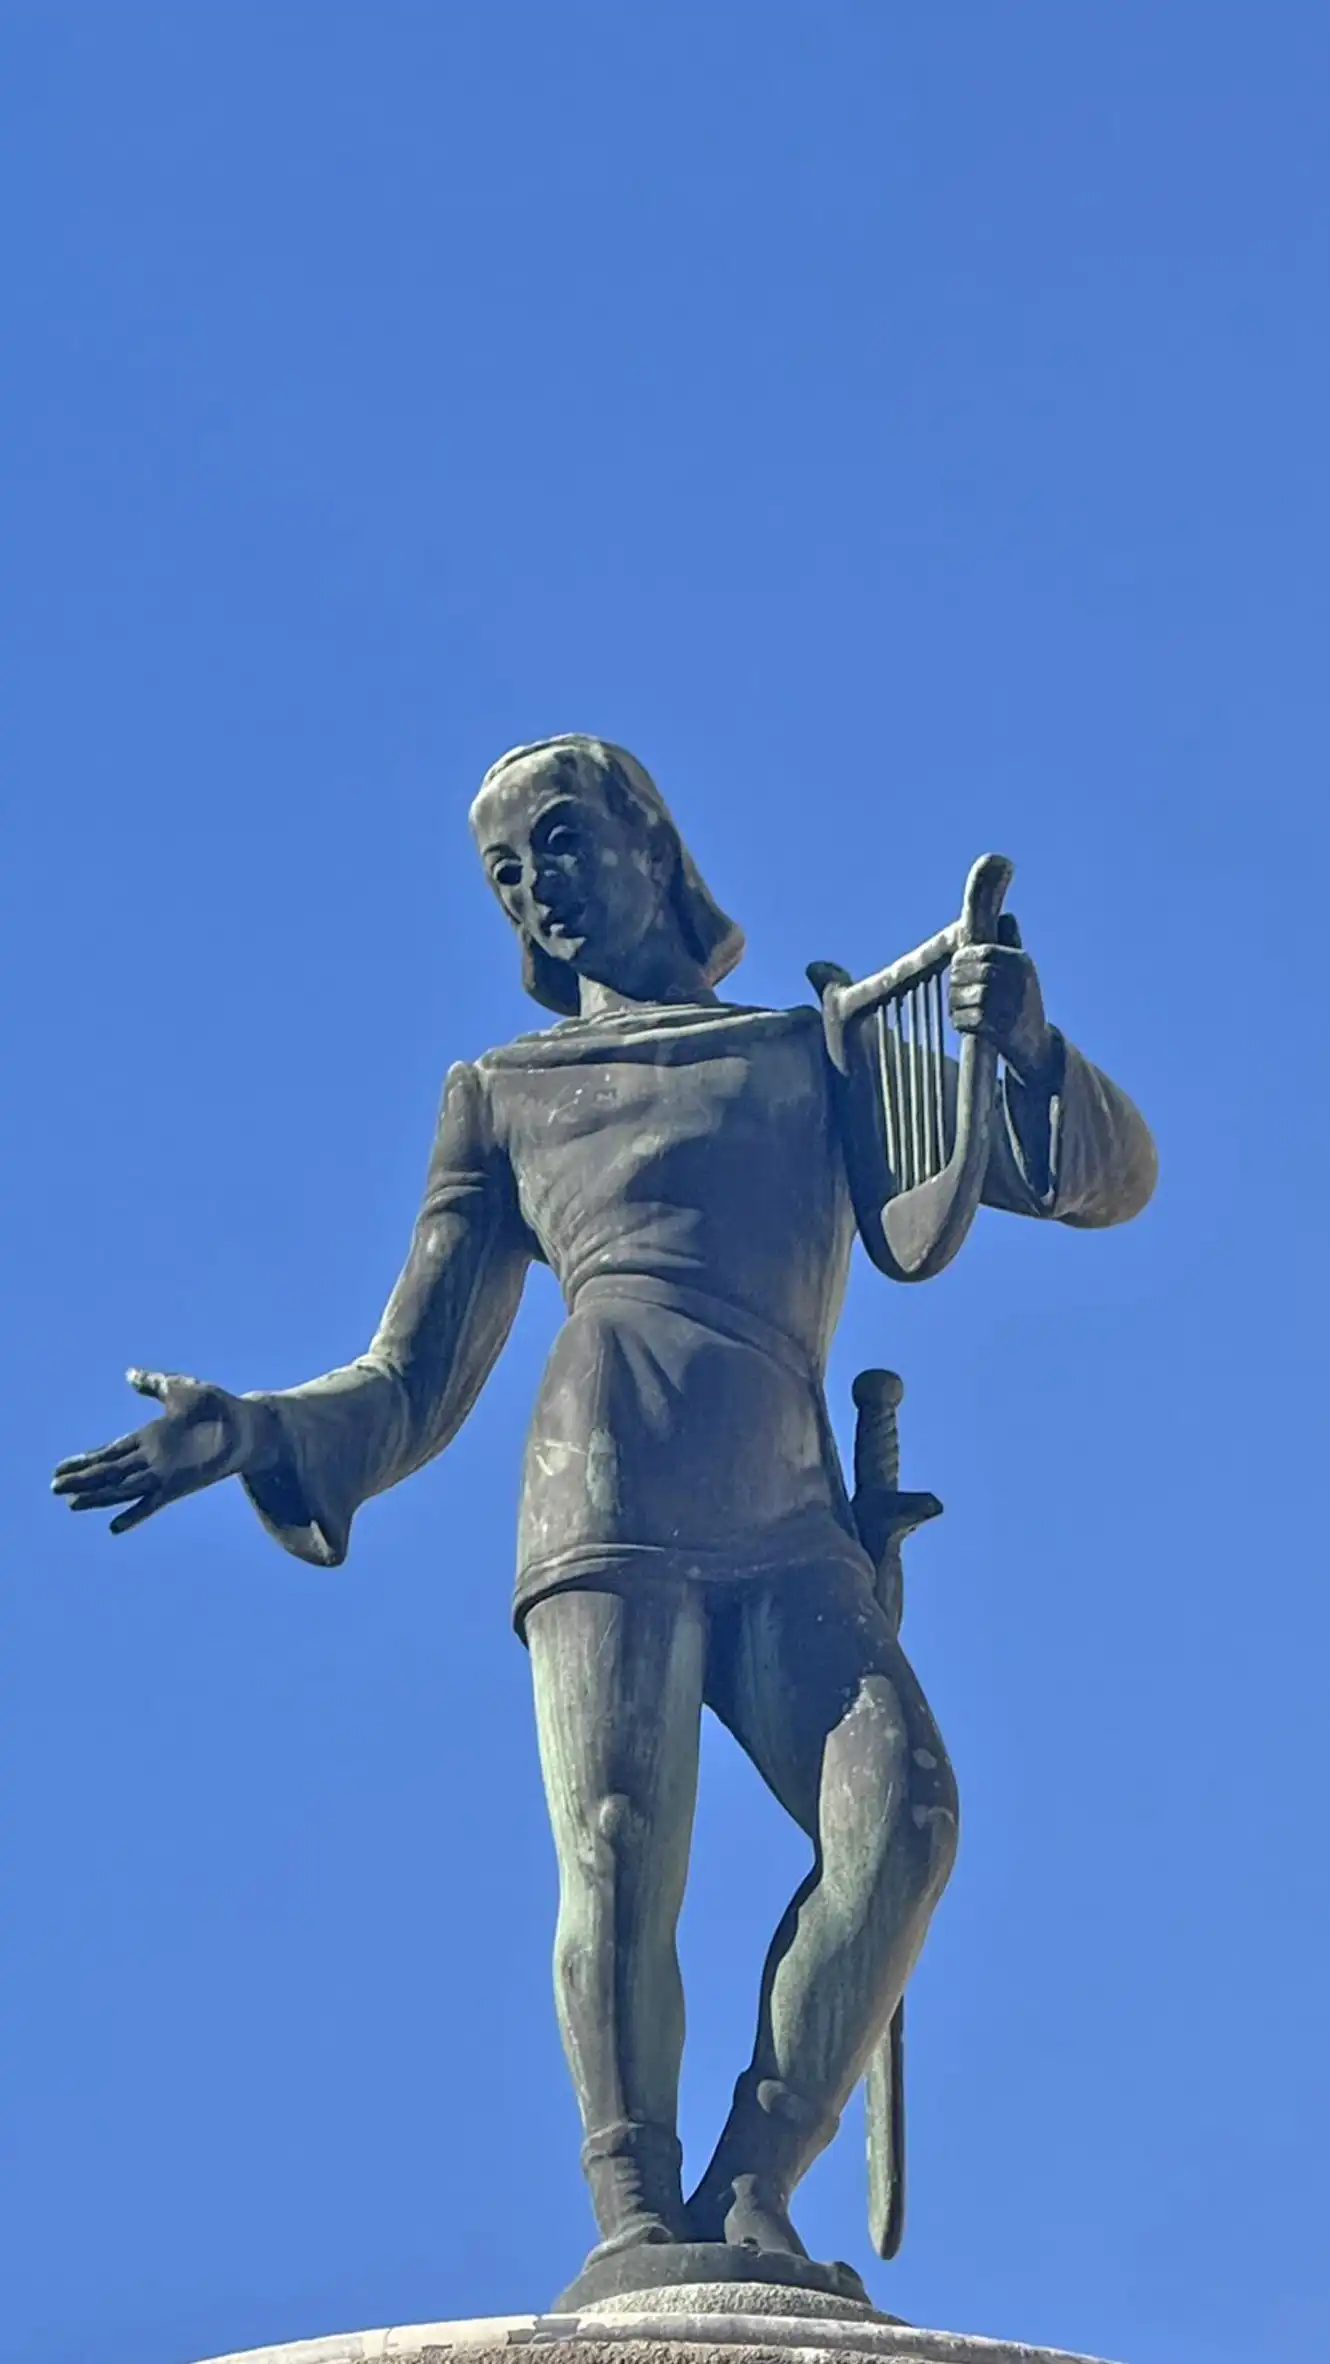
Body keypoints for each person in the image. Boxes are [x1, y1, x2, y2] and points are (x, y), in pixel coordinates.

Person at [53, 735, 1156, 2275]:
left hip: (785, 1508)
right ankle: (634, 2207)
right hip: (603, 1480)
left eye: (559, 842)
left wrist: (1028, 1050)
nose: (535, 887)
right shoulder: (500, 1096)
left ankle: (758, 2176)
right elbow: (410, 1373)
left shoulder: (809, 1050)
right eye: (504, 872)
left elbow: (1101, 1177)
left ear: (649, 839)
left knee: (902, 1820)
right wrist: (253, 1429)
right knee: (624, 1853)